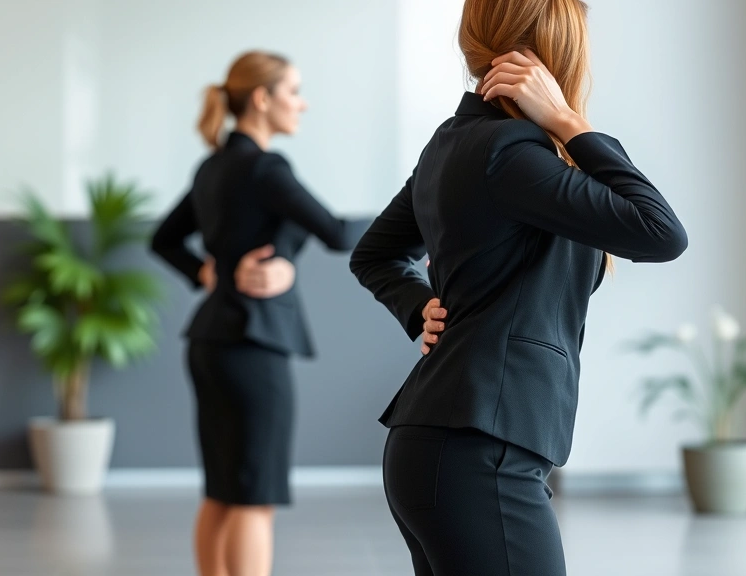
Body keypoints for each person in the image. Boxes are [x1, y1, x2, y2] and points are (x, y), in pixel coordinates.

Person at [349, 1, 688, 574]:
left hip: (448, 446)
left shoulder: (457, 142)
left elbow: (374, 254)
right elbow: (661, 232)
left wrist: (418, 308)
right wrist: (570, 124)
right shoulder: (509, 154)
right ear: (556, 54)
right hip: (478, 453)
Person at [151, 50, 366, 576]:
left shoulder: (213, 166)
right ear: (263, 99)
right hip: (253, 346)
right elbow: (337, 233)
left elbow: (164, 239)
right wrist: (421, 211)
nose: (303, 103)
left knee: (223, 491)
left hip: (210, 343)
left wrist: (213, 273)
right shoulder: (267, 167)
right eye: (294, 91)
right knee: (254, 497)